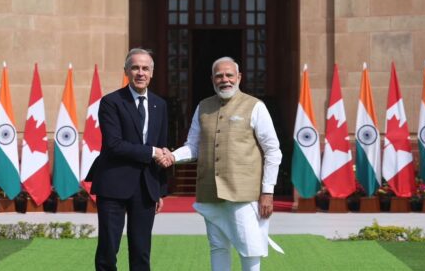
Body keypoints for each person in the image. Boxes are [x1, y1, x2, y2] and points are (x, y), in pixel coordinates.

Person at [162, 56, 283, 271]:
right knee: (217, 246)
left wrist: (268, 192)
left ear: (239, 77)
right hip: (210, 192)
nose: (224, 79)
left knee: (250, 248)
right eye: (219, 75)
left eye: (229, 75)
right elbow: (193, 146)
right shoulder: (203, 107)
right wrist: (173, 156)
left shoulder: (255, 106)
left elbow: (273, 151)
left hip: (244, 194)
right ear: (212, 79)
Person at [91, 48, 173, 271]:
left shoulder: (160, 105)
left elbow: (161, 147)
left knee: (141, 252)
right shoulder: (111, 102)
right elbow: (114, 145)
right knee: (108, 251)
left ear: (152, 73)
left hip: (146, 188)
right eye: (135, 67)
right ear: (126, 71)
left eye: (145, 68)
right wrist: (152, 153)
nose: (140, 72)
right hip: (113, 185)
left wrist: (159, 190)